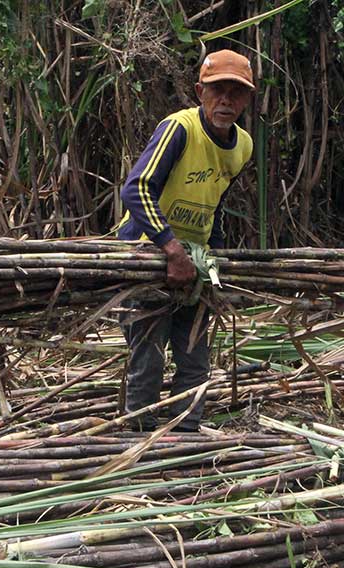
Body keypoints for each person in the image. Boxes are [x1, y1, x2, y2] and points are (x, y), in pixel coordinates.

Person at [116, 49, 255, 432]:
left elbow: (217, 204)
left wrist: (215, 263)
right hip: (145, 252)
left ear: (246, 99)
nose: (225, 100)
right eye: (217, 90)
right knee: (148, 354)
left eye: (235, 92)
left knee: (194, 354)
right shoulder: (180, 129)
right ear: (200, 91)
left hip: (194, 260)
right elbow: (136, 188)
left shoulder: (243, 146)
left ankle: (186, 435)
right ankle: (139, 437)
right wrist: (171, 249)